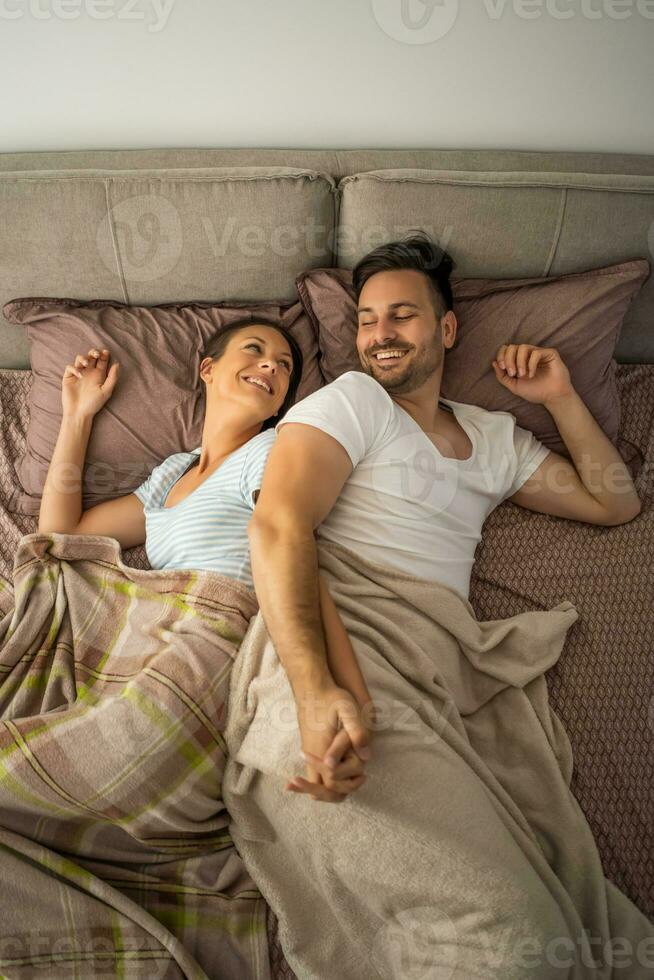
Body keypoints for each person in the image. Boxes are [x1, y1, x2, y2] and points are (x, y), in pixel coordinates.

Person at [247, 231, 642, 802]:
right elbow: (278, 524)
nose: (380, 335)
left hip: (435, 650)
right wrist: (313, 691)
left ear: (447, 329)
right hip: (338, 630)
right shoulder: (354, 399)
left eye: (402, 316)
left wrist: (559, 397)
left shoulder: (495, 437)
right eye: (366, 320)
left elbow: (615, 502)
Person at [37, 318, 374, 801]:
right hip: (154, 640)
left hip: (216, 639)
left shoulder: (272, 449)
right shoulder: (172, 472)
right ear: (208, 369)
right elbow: (60, 535)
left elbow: (295, 552)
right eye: (255, 350)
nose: (270, 365)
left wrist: (350, 698)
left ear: (281, 402)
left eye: (283, 366)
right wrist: (77, 417)